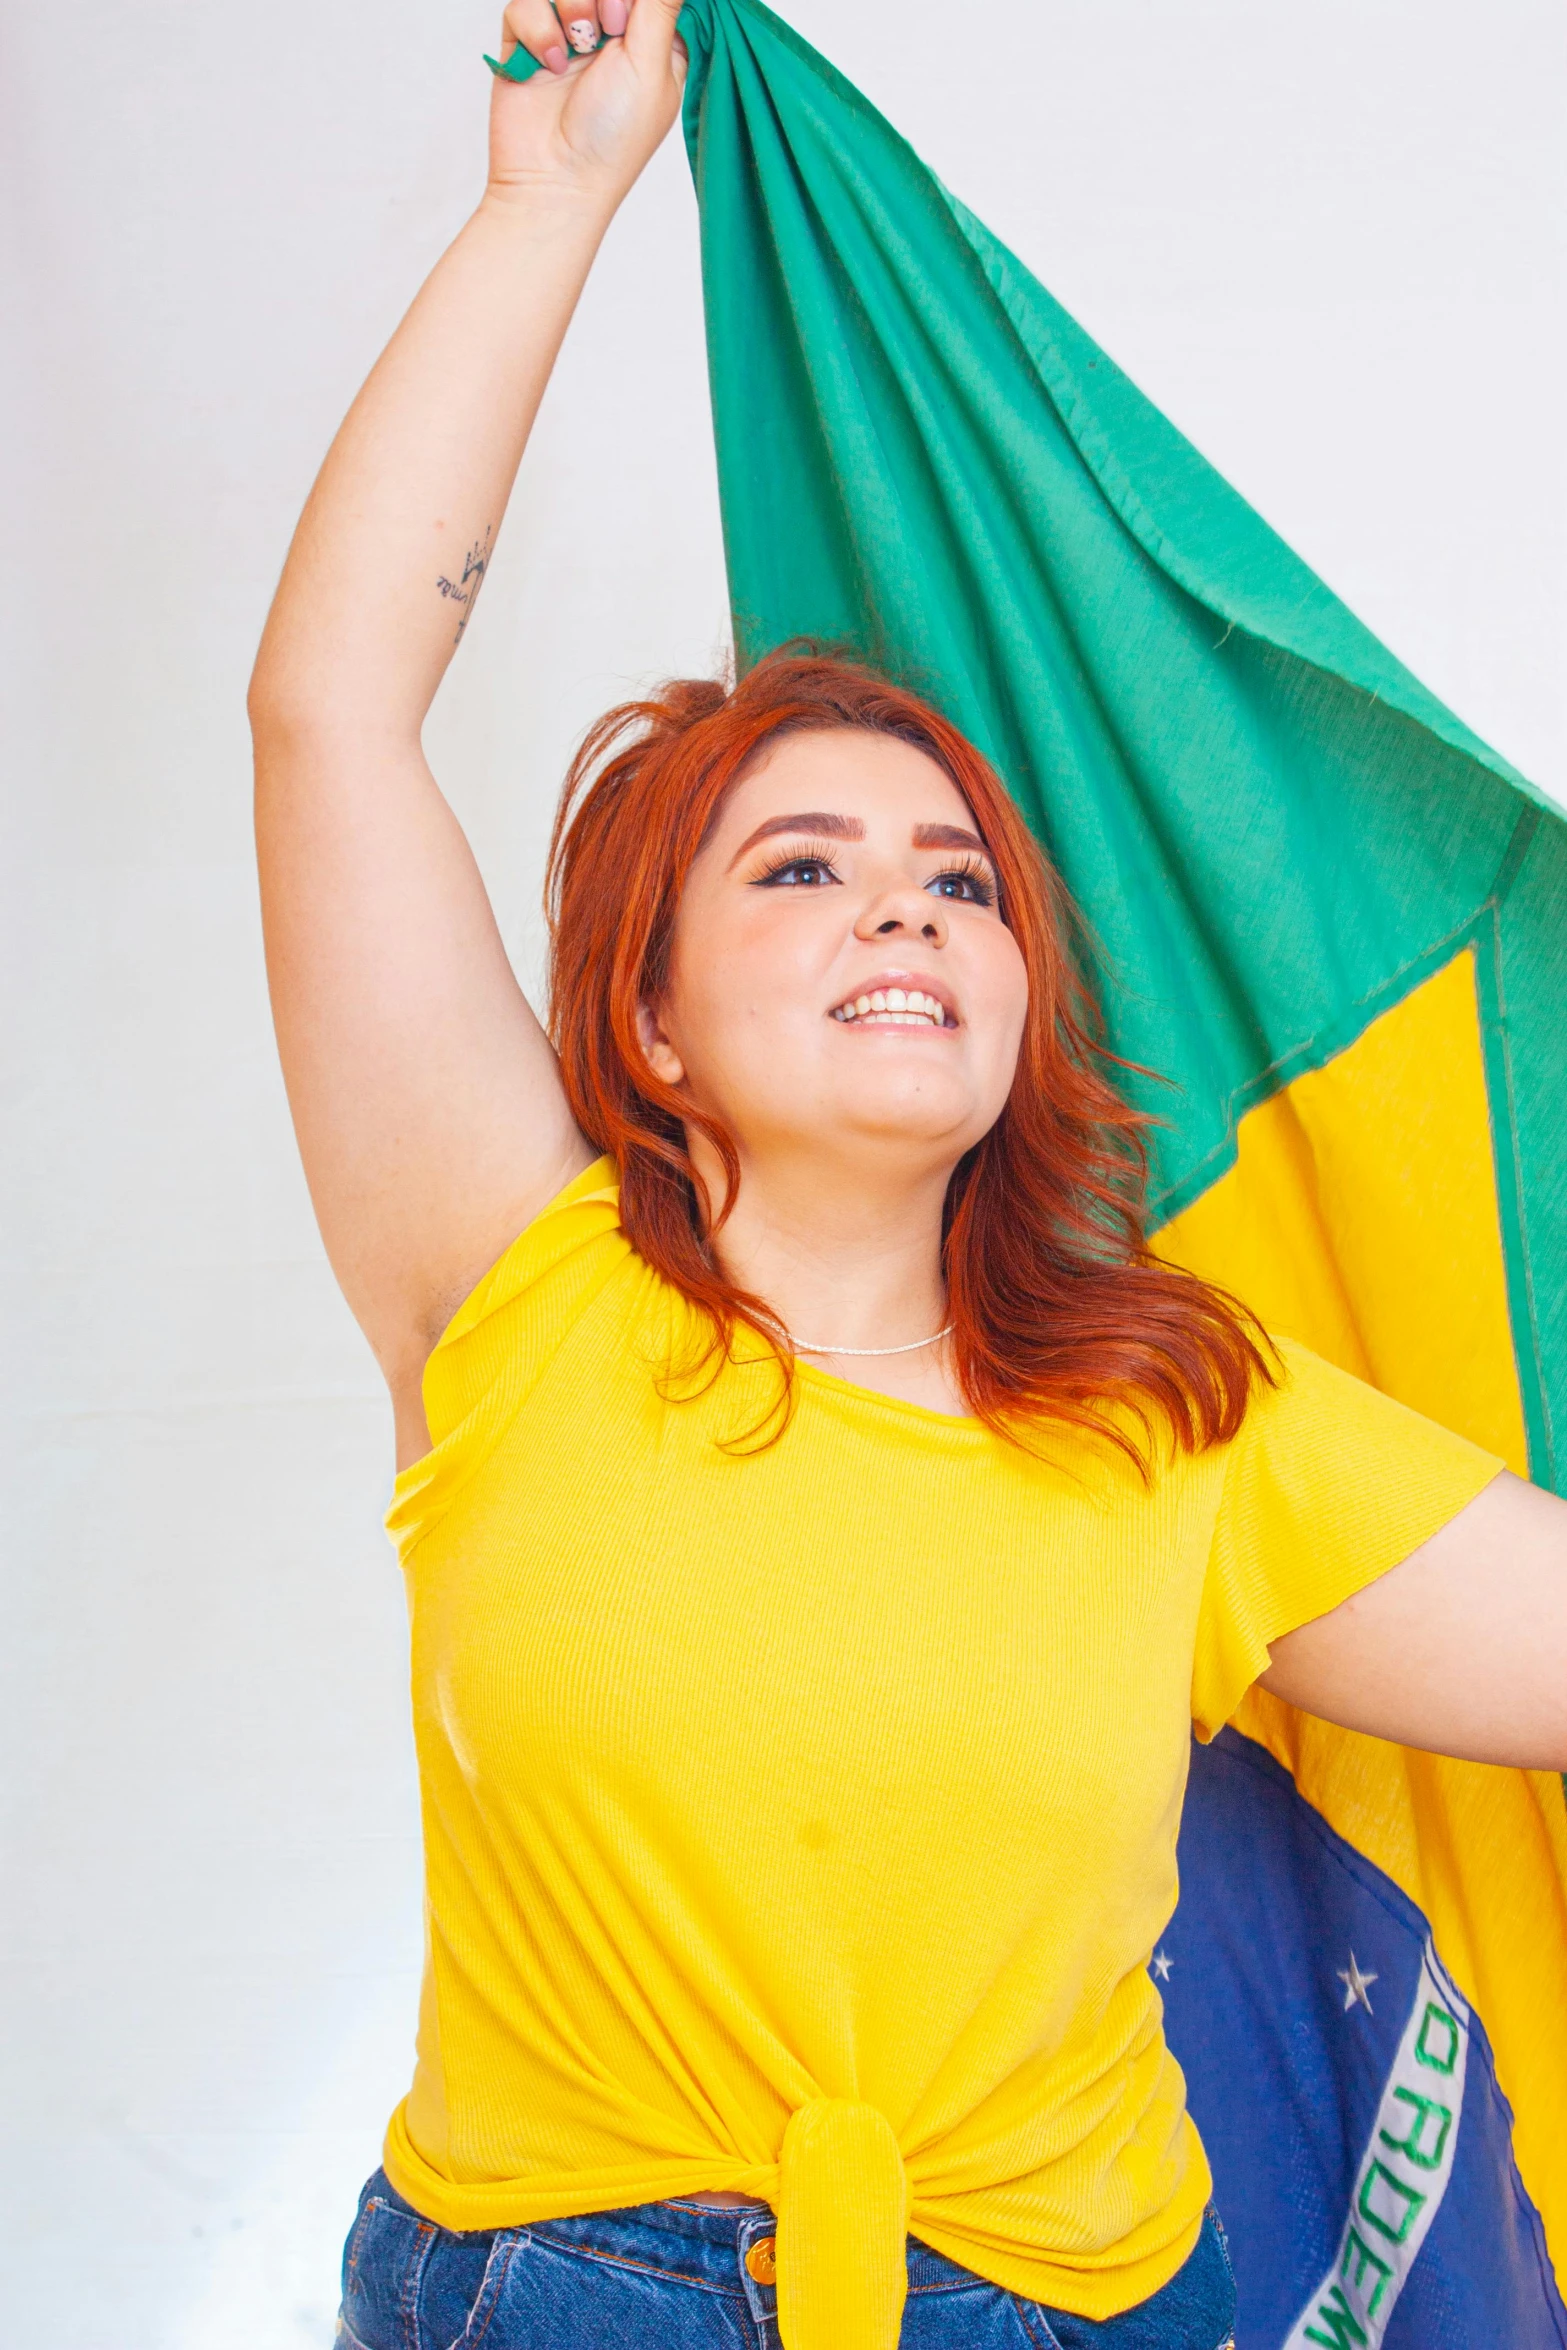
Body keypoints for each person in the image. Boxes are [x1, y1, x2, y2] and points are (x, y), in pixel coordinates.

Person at [248, 4, 1567, 2345]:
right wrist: (551, 204)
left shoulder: (1186, 1414)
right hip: (548, 2296)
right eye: (801, 869)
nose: (907, 908)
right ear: (647, 1020)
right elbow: (328, 707)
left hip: (1076, 2303)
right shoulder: (512, 1280)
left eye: (961, 880)